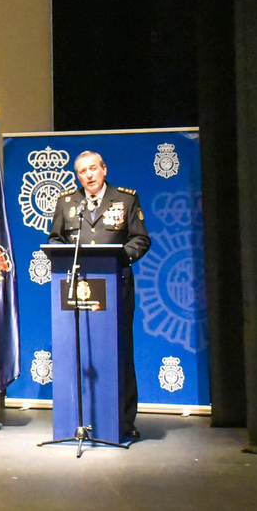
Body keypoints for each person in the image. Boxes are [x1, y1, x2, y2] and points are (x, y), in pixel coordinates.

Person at [49, 150, 151, 440]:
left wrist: (117, 257)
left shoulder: (125, 199)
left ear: (104, 169)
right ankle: (78, 418)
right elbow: (55, 240)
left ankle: (123, 422)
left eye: (93, 169)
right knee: (80, 350)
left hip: (115, 284)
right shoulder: (67, 203)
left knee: (119, 351)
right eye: (82, 172)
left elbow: (141, 239)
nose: (89, 175)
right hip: (77, 287)